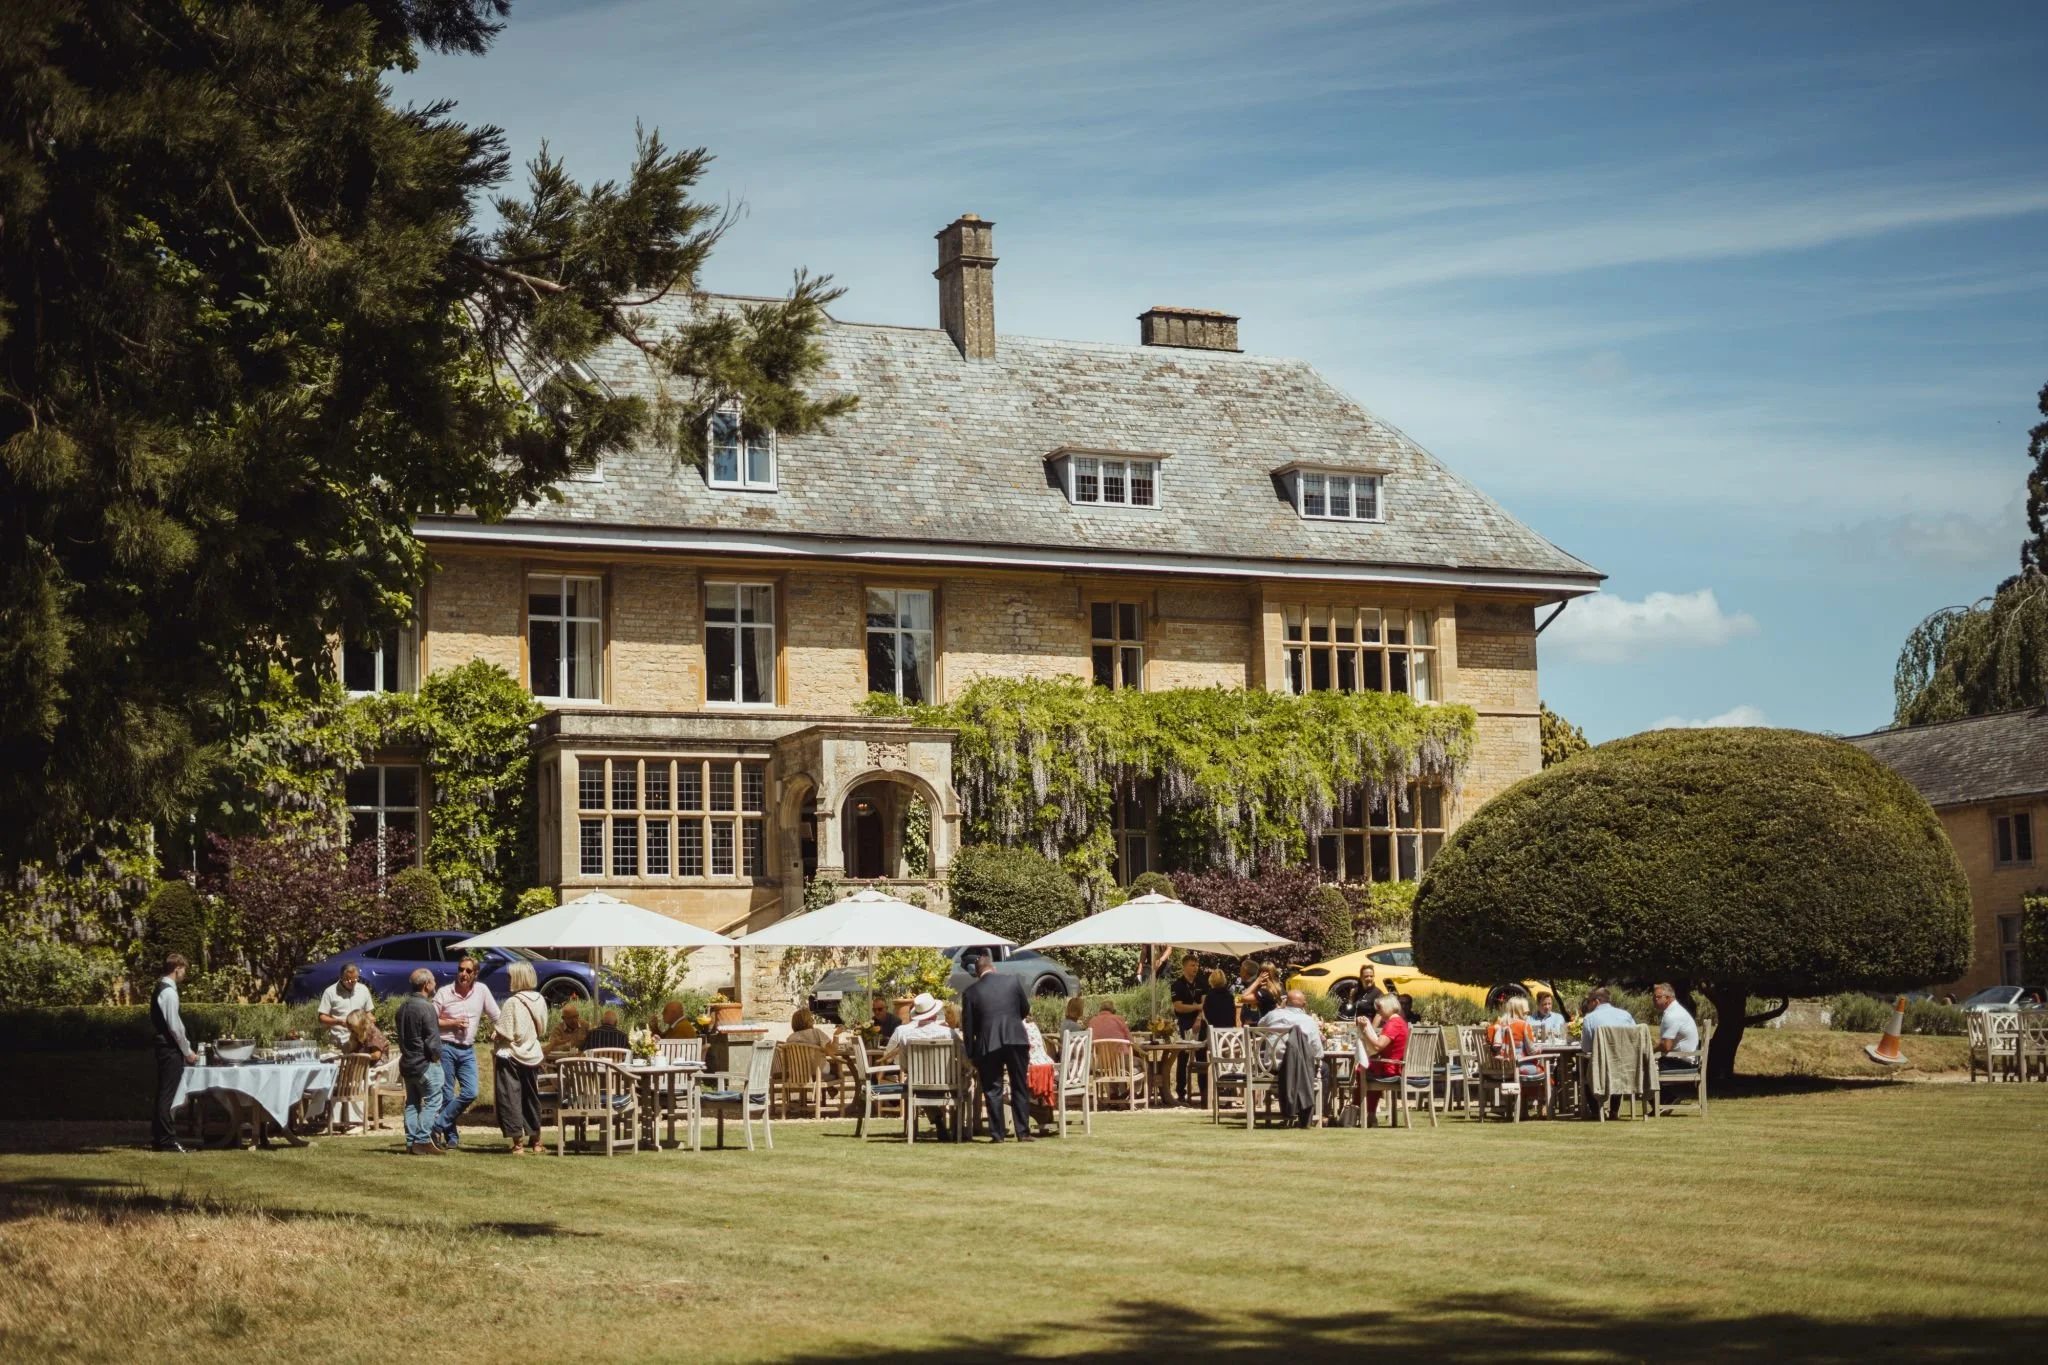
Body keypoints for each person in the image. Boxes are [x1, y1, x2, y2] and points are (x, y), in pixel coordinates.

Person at [960, 949, 1034, 1143]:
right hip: (1016, 1038)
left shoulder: (971, 992)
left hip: (988, 1042)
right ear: (993, 967)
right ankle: (1023, 1132)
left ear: (976, 972)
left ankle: (997, 1134)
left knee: (993, 1089)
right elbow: (1024, 1009)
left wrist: (971, 1053)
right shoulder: (1012, 981)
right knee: (1019, 1085)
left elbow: (968, 1028)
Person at [431, 955, 500, 1150]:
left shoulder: (482, 991)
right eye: (461, 969)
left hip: (467, 1049)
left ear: (475, 974)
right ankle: (451, 1137)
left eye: (468, 971)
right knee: (447, 1095)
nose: (463, 974)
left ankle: (436, 1126)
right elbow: (430, 1020)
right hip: (446, 1047)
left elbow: (497, 1015)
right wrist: (452, 1023)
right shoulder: (445, 992)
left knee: (471, 1092)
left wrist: (498, 1030)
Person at [491, 962, 549, 1155]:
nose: (508, 979)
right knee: (532, 1097)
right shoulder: (539, 999)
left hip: (511, 1054)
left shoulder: (513, 1002)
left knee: (510, 1097)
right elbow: (542, 1028)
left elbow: (506, 1032)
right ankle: (537, 1141)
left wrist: (494, 1034)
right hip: (532, 1053)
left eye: (510, 976)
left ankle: (518, 1144)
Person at [148, 953, 197, 1153]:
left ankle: (160, 1137)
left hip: (164, 1046)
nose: (184, 973)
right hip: (169, 1047)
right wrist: (187, 1051)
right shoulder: (168, 992)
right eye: (183, 969)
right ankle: (166, 1139)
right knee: (168, 1094)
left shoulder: (163, 989)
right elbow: (175, 1027)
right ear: (177, 968)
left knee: (163, 1093)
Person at [1258, 988, 1324, 1128]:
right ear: (1304, 1005)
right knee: (1326, 1070)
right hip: (1298, 1069)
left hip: (1271, 1068)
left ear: (1285, 1001)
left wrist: (1280, 1009)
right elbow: (1318, 1053)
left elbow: (1259, 1026)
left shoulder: (1272, 1015)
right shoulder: (1308, 1021)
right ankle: (1316, 1113)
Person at [396, 968, 445, 1156]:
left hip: (407, 1063)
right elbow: (432, 1039)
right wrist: (435, 1057)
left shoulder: (403, 1007)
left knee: (412, 1103)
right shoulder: (426, 1007)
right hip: (424, 1063)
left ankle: (410, 1142)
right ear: (426, 985)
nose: (435, 984)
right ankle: (423, 1139)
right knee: (433, 1100)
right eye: (433, 981)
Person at [1578, 986, 1638, 1119]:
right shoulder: (1626, 1015)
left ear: (1597, 1001)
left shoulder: (1590, 1018)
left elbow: (1586, 1048)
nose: (1588, 1005)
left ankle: (1595, 1111)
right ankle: (1614, 1111)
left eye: (1590, 1002)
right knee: (1617, 1069)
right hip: (1625, 1065)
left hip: (1601, 1068)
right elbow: (1635, 1038)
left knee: (1583, 1068)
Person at [1356, 993, 1409, 1126]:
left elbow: (1379, 1045)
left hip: (1392, 1068)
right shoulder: (1400, 1022)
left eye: (1379, 1008)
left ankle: (1362, 1111)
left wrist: (1365, 1030)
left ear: (1389, 1007)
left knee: (1360, 1070)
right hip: (1395, 1066)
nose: (1378, 1011)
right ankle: (1369, 1113)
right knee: (1368, 1068)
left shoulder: (1393, 1024)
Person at [1169, 953, 1206, 1104]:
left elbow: (1206, 1004)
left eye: (1197, 965)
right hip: (1183, 1024)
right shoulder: (1177, 985)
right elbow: (1179, 1007)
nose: (1195, 968)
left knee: (1202, 1057)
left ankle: (1204, 1092)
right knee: (1182, 1058)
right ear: (1184, 967)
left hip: (1199, 1023)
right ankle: (1181, 1093)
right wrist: (1197, 1007)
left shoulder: (1202, 982)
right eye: (1192, 965)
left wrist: (1198, 1017)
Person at [317, 963, 374, 1052]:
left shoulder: (363, 989)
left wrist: (371, 1021)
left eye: (355, 979)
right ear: (341, 978)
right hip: (339, 1042)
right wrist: (338, 1022)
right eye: (349, 980)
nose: (353, 983)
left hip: (360, 1042)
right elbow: (322, 1017)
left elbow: (368, 1013)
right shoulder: (330, 992)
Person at [1651, 983, 1699, 1070]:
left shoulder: (1672, 1015)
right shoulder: (1675, 1010)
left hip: (1683, 1063)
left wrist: (1651, 1050)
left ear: (1667, 998)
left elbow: (1666, 1046)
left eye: (1658, 997)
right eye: (1654, 997)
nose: (1654, 999)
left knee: (1642, 1066)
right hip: (1684, 1059)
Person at [1236, 958, 1277, 1024]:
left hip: (1262, 1027)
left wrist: (1257, 981)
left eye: (1240, 970)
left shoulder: (1262, 989)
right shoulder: (1279, 987)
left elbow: (1240, 998)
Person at [1202, 968, 1238, 1033]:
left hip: (1215, 1030)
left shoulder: (1210, 997)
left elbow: (1206, 1014)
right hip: (1229, 1030)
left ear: (1211, 980)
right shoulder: (1230, 996)